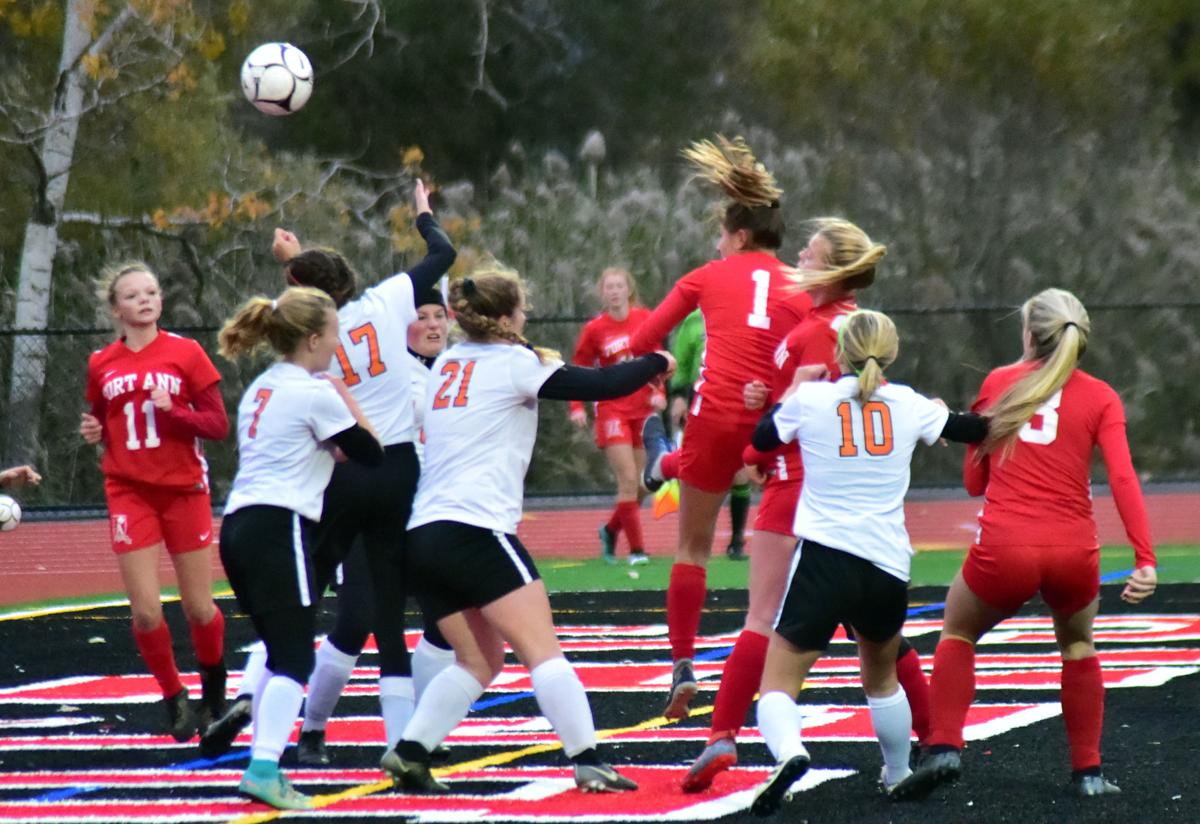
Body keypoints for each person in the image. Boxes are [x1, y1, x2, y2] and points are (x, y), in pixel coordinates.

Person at [380, 264, 673, 794]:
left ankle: (409, 751)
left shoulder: (448, 361)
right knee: (543, 651)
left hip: (424, 532)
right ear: (509, 316)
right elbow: (606, 383)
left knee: (479, 659)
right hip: (476, 528)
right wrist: (659, 360)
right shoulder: (514, 363)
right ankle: (589, 758)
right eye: (522, 309)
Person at [200, 180, 457, 763]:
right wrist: (422, 212)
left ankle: (250, 692)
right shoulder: (389, 302)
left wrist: (294, 264)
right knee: (389, 617)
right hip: (389, 463)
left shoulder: (299, 337)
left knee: (303, 597)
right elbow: (442, 255)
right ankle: (401, 742)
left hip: (335, 476)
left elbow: (306, 304)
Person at [683, 217, 937, 792]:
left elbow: (799, 414)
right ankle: (934, 737)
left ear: (833, 269)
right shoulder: (836, 324)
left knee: (763, 618)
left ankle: (722, 735)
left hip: (803, 488)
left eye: (810, 251)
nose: (798, 254)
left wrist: (760, 431)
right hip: (842, 495)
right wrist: (766, 397)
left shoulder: (817, 329)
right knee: (880, 635)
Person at [892, 288, 1157, 801]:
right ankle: (1089, 773)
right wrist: (1144, 558)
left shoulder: (999, 383)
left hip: (1006, 547)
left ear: (1029, 335)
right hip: (1074, 550)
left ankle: (944, 746)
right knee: (1078, 646)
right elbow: (1123, 477)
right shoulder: (1102, 396)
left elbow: (975, 484)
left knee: (959, 631)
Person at [743, 310, 987, 815]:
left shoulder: (811, 400)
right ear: (891, 353)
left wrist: (793, 388)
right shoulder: (909, 404)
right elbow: (974, 428)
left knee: (777, 685)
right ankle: (896, 773)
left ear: (839, 352)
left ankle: (790, 753)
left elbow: (764, 439)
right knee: (881, 679)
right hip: (886, 564)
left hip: (824, 558)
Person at [629, 136, 810, 719]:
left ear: (737, 234)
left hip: (715, 416)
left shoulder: (709, 275)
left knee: (692, 547)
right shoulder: (803, 288)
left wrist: (657, 372)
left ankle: (683, 662)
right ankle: (775, 674)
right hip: (777, 422)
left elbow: (640, 338)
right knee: (802, 559)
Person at [217, 286, 384, 810]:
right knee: (293, 658)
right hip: (278, 524)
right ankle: (265, 768)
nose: (339, 344)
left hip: (239, 524)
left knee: (276, 651)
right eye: (333, 334)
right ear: (313, 338)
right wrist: (351, 405)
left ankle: (260, 762)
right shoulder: (315, 391)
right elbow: (370, 453)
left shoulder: (263, 387)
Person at [79, 262, 229, 742]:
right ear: (115, 308)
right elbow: (102, 418)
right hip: (129, 490)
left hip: (184, 489)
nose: (145, 300)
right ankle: (173, 697)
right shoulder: (101, 362)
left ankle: (213, 691)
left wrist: (177, 412)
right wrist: (95, 431)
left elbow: (217, 425)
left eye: (152, 292)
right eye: (133, 295)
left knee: (199, 608)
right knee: (145, 611)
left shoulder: (186, 352)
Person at [569, 266, 660, 565]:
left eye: (619, 286)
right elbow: (578, 368)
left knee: (644, 484)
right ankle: (637, 551)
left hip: (642, 408)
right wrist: (576, 406)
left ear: (628, 289)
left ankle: (610, 530)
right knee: (628, 480)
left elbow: (658, 359)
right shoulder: (595, 328)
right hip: (612, 408)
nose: (614, 291)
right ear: (602, 292)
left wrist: (660, 391)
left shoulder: (645, 319)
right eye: (609, 287)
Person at [658, 308, 753, 558]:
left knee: (740, 469)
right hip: (699, 397)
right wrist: (678, 395)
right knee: (698, 468)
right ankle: (691, 536)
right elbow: (682, 360)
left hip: (737, 398)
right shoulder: (694, 320)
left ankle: (736, 541)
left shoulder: (748, 312)